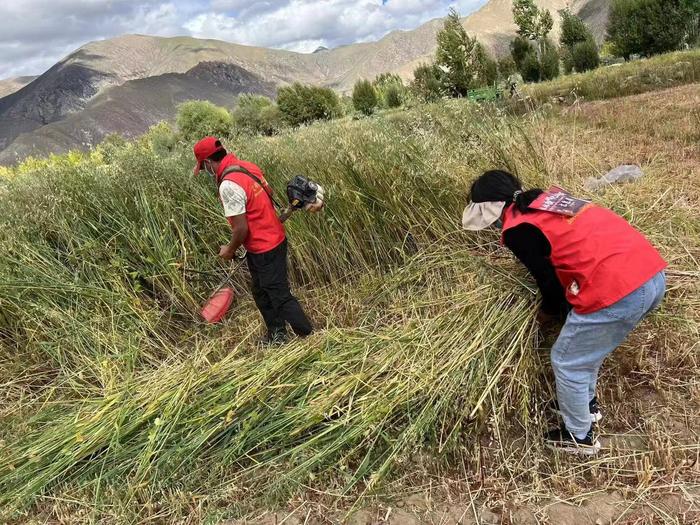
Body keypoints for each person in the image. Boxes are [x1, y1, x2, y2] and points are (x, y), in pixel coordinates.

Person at [462, 170, 667, 455]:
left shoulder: (519, 229)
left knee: (567, 360)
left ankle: (579, 437)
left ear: (491, 208)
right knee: (586, 350)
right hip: (652, 275)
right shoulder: (553, 201)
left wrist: (546, 316)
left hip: (620, 290)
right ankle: (587, 407)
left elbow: (548, 282)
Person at [193, 136, 313, 344]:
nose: (206, 172)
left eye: (204, 168)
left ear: (208, 163)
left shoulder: (228, 185)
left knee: (279, 295)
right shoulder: (247, 167)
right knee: (260, 291)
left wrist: (229, 250)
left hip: (265, 248)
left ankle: (309, 335)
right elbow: (267, 197)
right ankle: (277, 335)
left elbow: (241, 228)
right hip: (272, 240)